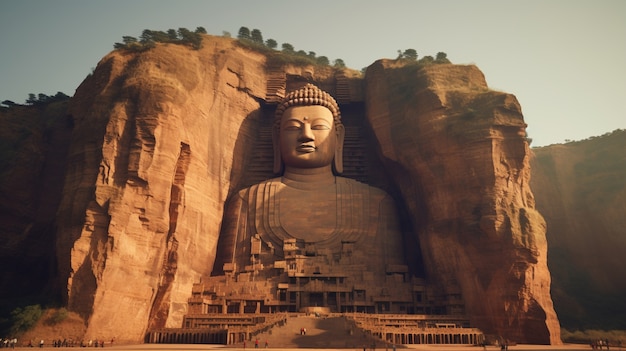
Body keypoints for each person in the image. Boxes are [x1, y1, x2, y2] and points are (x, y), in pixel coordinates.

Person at [213, 84, 406, 291]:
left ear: (338, 137)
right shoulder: (246, 201)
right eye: (293, 127)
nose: (305, 135)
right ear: (276, 139)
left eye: (318, 126)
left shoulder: (377, 203)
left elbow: (395, 280)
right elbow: (226, 279)